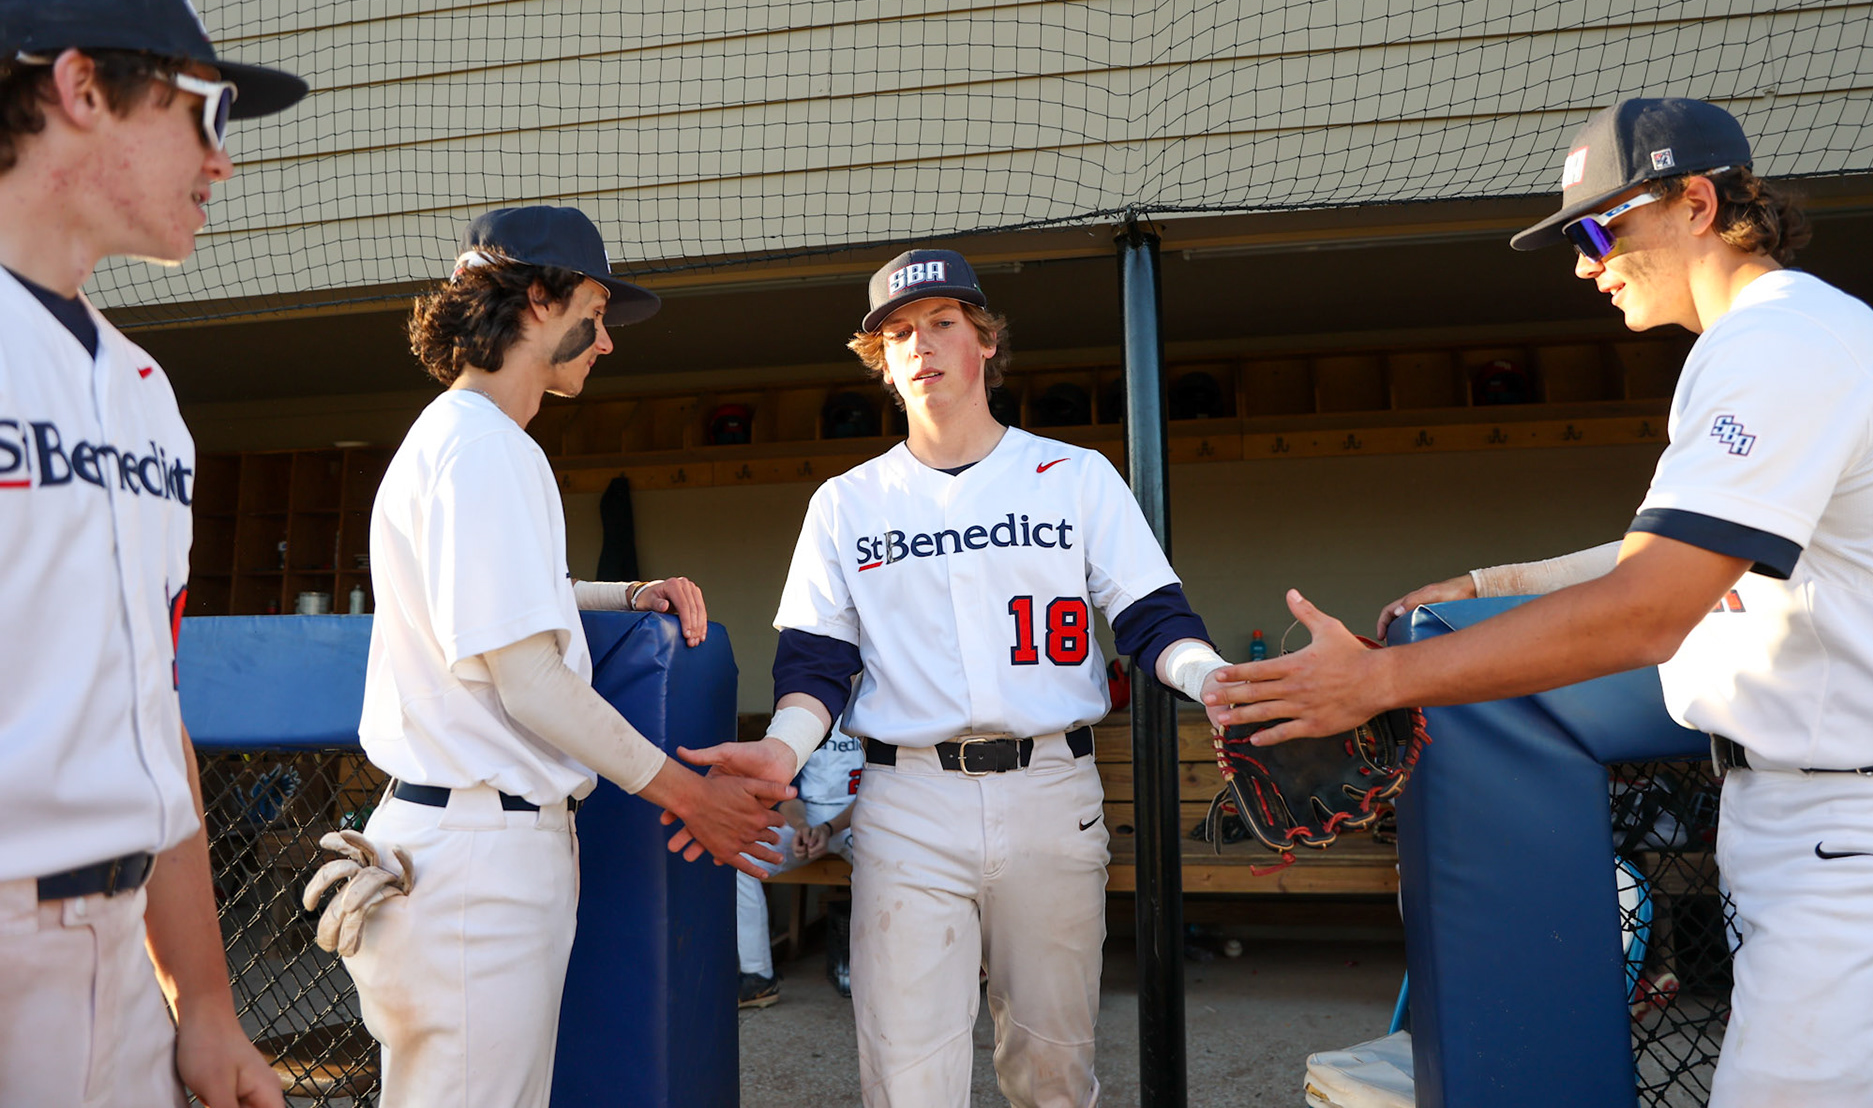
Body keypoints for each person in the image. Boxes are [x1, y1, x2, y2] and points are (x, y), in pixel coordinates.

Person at [1204, 98, 1873, 1105]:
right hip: (1812, 808)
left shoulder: (1784, 341)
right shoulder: (1781, 339)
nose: (1586, 262)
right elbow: (1666, 551)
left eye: (1599, 227)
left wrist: (1377, 679)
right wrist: (1493, 586)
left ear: (1697, 202)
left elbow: (1646, 608)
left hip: (1863, 822)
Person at [683, 249, 1234, 1107]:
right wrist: (784, 752)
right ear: (883, 361)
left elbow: (1154, 620)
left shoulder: (1075, 476)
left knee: (1052, 1070)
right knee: (908, 1080)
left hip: (1053, 788)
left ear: (984, 344)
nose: (921, 344)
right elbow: (817, 668)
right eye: (899, 332)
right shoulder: (847, 502)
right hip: (909, 803)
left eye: (943, 323)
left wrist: (1214, 682)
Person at [342, 205, 794, 1108]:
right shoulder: (483, 447)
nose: (607, 341)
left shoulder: (461, 436)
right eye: (596, 307)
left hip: (460, 843)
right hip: (474, 854)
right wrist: (689, 794)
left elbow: (495, 610)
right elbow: (529, 680)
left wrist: (624, 595)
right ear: (541, 301)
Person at [0, 0, 306, 1108]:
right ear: (81, 88)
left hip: (126, 963)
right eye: (207, 109)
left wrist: (210, 1004)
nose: (224, 160)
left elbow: (153, 702)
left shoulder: (147, 394)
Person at [736, 713, 864, 1007]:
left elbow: (876, 792)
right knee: (743, 860)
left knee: (893, 871)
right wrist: (803, 827)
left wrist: (829, 828)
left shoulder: (875, 706)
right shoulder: (808, 708)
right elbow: (787, 792)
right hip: (808, 819)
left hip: (860, 818)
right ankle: (758, 977)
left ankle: (894, 975)